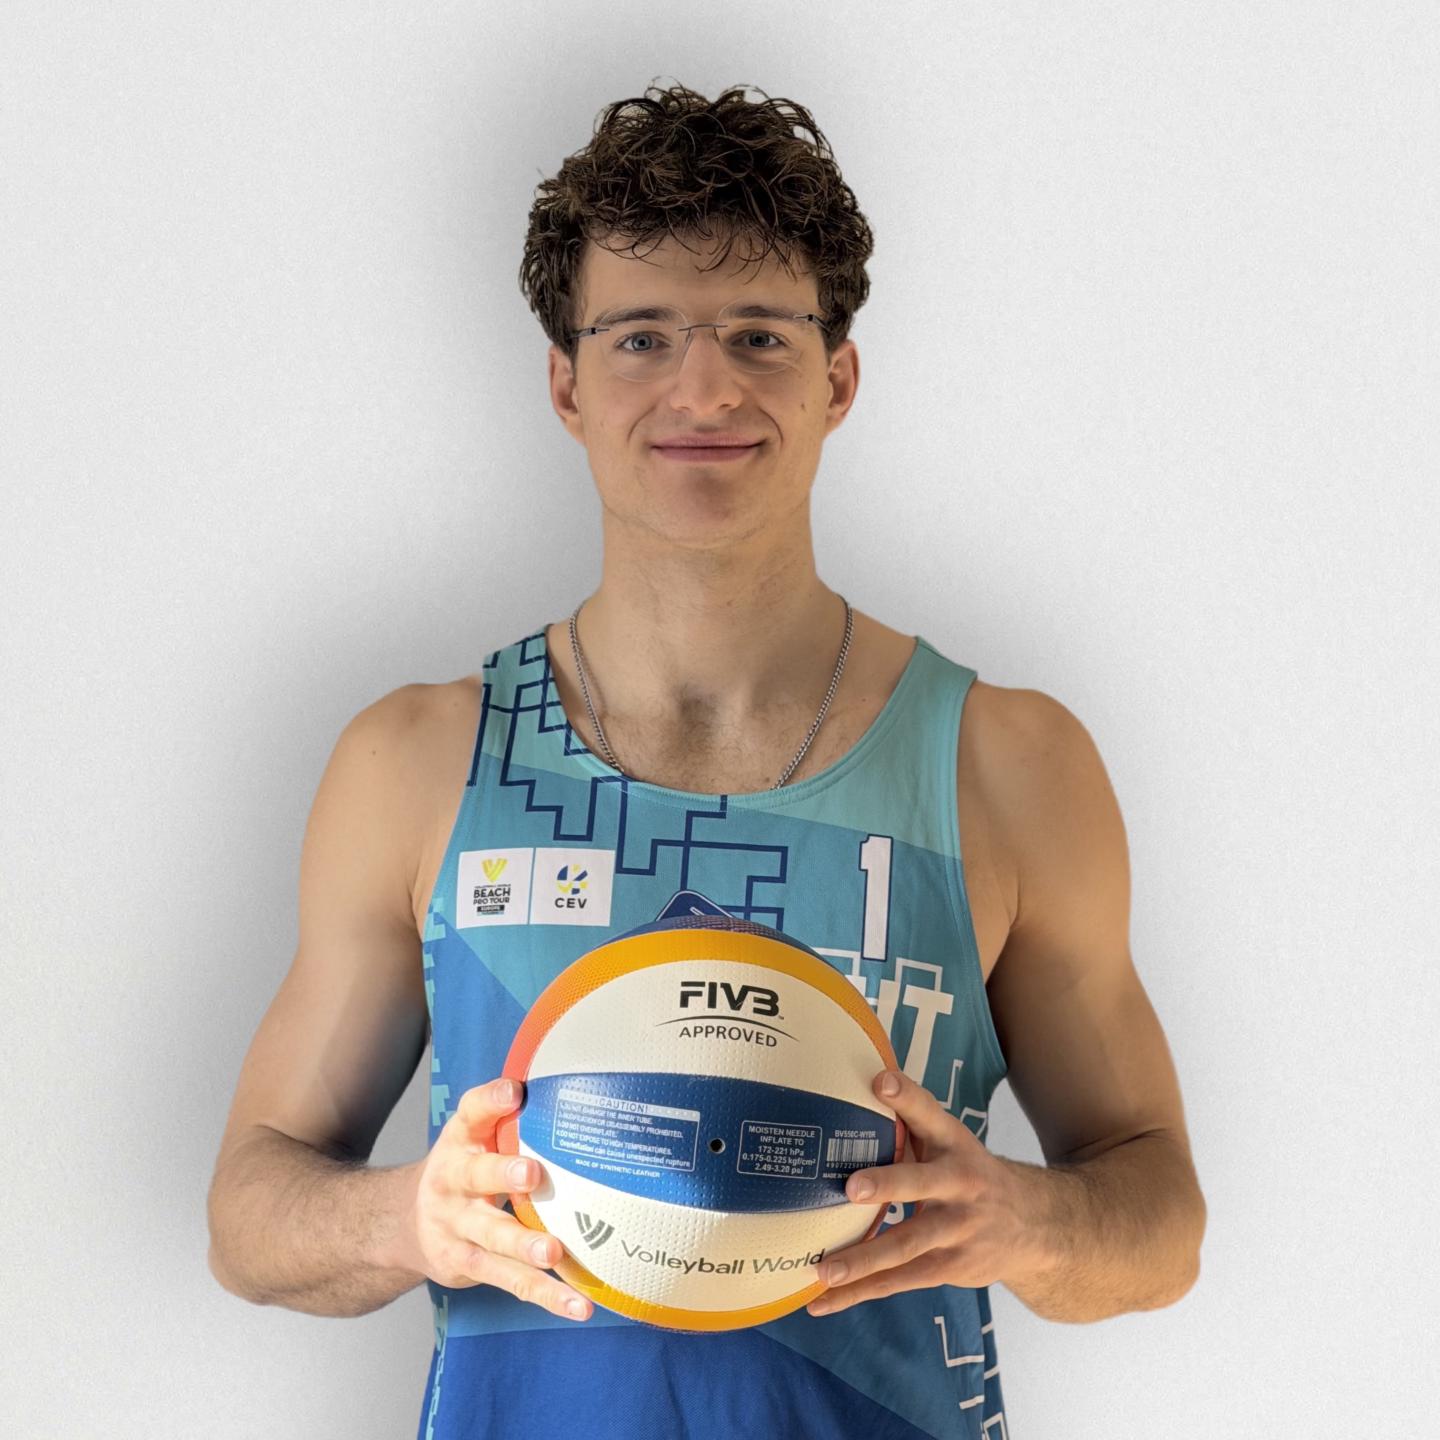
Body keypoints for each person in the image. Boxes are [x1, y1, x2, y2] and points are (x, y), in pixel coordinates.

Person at [206, 81, 1206, 1439]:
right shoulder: (420, 762)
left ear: (837, 379)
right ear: (565, 384)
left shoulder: (1009, 765)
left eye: (758, 335)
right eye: (641, 338)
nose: (704, 387)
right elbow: (250, 1215)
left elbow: (1160, 1222)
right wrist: (405, 1219)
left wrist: (1028, 1221)